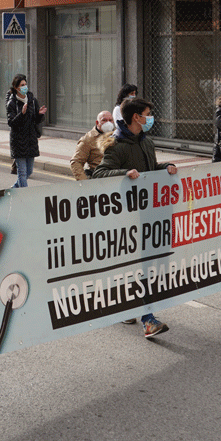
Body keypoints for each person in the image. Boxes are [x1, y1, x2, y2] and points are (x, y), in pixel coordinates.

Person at [93, 98, 179, 338]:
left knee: (147, 267)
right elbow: (99, 174)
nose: (150, 118)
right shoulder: (117, 145)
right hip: (129, 218)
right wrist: (125, 173)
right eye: (147, 114)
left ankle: (132, 307)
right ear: (135, 118)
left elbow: (150, 169)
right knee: (139, 267)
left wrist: (166, 167)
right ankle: (147, 319)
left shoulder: (146, 142)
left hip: (151, 214)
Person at [6, 74, 46, 188]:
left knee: (29, 172)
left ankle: (13, 190)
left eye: (25, 84)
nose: (25, 87)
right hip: (18, 141)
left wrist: (40, 114)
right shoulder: (12, 103)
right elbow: (11, 123)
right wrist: (21, 114)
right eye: (22, 85)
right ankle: (24, 196)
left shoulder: (32, 100)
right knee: (22, 173)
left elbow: (36, 120)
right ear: (16, 88)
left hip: (30, 139)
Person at [70, 111, 115, 181]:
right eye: (104, 120)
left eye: (110, 120)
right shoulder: (88, 139)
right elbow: (76, 162)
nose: (108, 123)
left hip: (116, 177)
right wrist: (85, 182)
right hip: (99, 178)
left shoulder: (117, 135)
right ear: (97, 123)